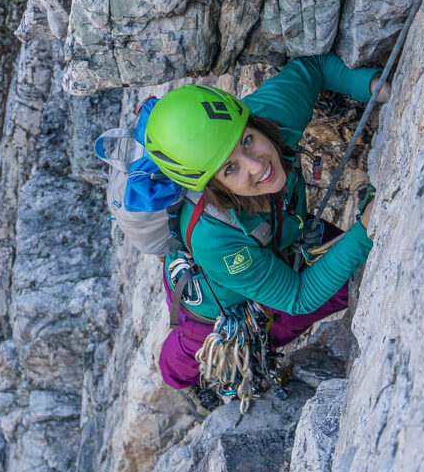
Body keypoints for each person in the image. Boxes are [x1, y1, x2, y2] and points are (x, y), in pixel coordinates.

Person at [144, 53, 391, 398]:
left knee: (361, 274)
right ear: (214, 187)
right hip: (211, 299)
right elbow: (297, 296)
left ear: (249, 123)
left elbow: (312, 70)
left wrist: (374, 86)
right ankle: (192, 387)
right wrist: (366, 229)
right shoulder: (216, 236)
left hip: (265, 247)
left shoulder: (261, 122)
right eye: (230, 170)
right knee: (180, 362)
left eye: (247, 141)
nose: (257, 166)